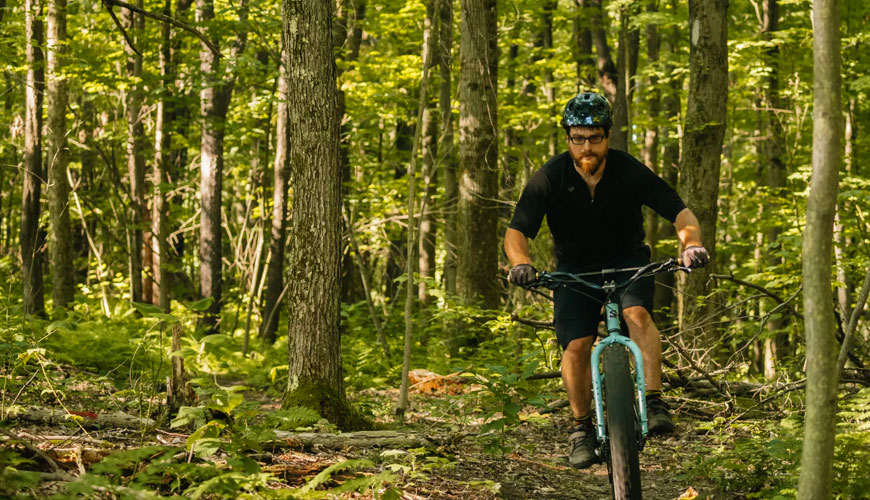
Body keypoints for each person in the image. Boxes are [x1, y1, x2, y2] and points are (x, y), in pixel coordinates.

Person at [504, 91, 709, 469]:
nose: (587, 146)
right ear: (567, 137)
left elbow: (680, 211)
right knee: (577, 346)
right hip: (573, 271)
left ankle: (654, 401)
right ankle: (580, 429)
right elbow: (517, 232)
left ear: (608, 136)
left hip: (627, 261)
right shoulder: (550, 177)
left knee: (637, 316)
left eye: (595, 137)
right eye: (578, 138)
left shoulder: (627, 170)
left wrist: (691, 245)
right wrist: (521, 263)